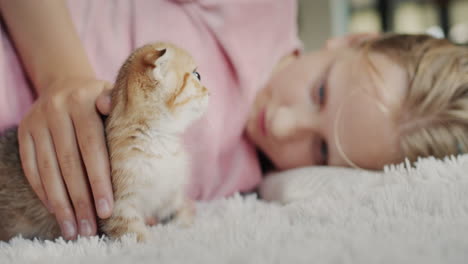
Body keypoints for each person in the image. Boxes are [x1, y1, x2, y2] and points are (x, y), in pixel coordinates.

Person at [0, 0, 467, 240]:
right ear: (350, 40)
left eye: (321, 149)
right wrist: (62, 74)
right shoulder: (256, 10)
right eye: (319, 92)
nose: (283, 126)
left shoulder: (245, 182)